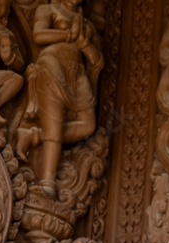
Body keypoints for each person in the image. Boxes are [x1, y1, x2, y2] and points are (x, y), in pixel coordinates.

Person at [15, 0, 102, 197]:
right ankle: (47, 183)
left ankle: (32, 135)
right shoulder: (48, 10)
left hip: (77, 74)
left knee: (88, 125)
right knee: (55, 123)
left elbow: (97, 60)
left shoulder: (86, 24)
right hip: (53, 64)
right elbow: (38, 35)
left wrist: (84, 44)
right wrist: (67, 35)